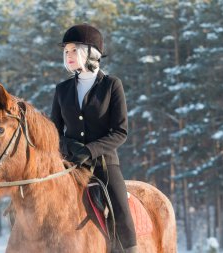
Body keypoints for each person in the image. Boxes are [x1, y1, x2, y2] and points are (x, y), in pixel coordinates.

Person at [50, 24, 138, 253]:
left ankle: (129, 249)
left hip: (103, 164)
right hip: (68, 165)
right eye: (65, 51)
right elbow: (53, 133)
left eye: (73, 50)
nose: (68, 56)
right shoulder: (62, 89)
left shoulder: (111, 85)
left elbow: (120, 132)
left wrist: (89, 150)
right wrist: (68, 147)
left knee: (120, 209)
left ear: (90, 52)